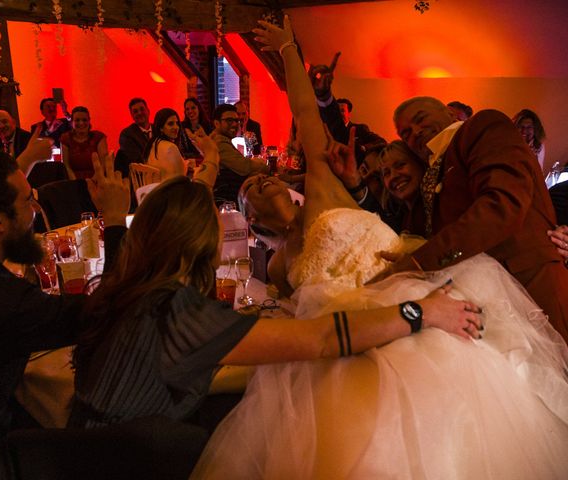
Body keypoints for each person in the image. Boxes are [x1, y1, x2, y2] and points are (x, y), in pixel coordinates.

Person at [192, 17, 568, 479]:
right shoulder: (276, 267)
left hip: (437, 303)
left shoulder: (327, 192)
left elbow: (309, 120)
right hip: (355, 335)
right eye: (250, 186)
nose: (263, 180)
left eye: (416, 127)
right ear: (249, 217)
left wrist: (288, 50)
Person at [68, 175, 478, 432]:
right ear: (198, 239)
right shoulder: (174, 311)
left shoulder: (126, 290)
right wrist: (421, 312)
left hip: (89, 446)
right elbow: (320, 339)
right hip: (125, 461)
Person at [0, 151, 129, 479]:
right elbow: (109, 312)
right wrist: (116, 218)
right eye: (26, 200)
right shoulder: (1, 303)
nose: (34, 209)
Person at [389, 96, 568, 341]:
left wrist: (418, 263)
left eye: (421, 119)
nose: (416, 133)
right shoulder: (431, 172)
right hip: (483, 303)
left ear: (450, 115)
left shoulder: (481, 127)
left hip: (529, 282)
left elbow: (502, 204)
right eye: (406, 133)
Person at [212, 104, 269, 205]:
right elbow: (245, 167)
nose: (235, 124)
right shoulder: (219, 143)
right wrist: (267, 167)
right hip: (229, 200)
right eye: (229, 120)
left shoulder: (223, 140)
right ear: (217, 123)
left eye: (236, 120)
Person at [60, 106, 108, 180]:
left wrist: (92, 181)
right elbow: (66, 165)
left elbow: (103, 164)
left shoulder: (99, 137)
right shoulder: (65, 138)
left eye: (84, 120)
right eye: (77, 120)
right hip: (73, 182)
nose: (81, 123)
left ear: (89, 121)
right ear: (72, 122)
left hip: (98, 180)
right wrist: (75, 183)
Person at [115, 97, 152, 177]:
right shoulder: (127, 135)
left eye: (142, 109)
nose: (139, 113)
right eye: (135, 111)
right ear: (132, 116)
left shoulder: (158, 129)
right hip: (141, 177)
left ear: (148, 111)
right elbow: (136, 161)